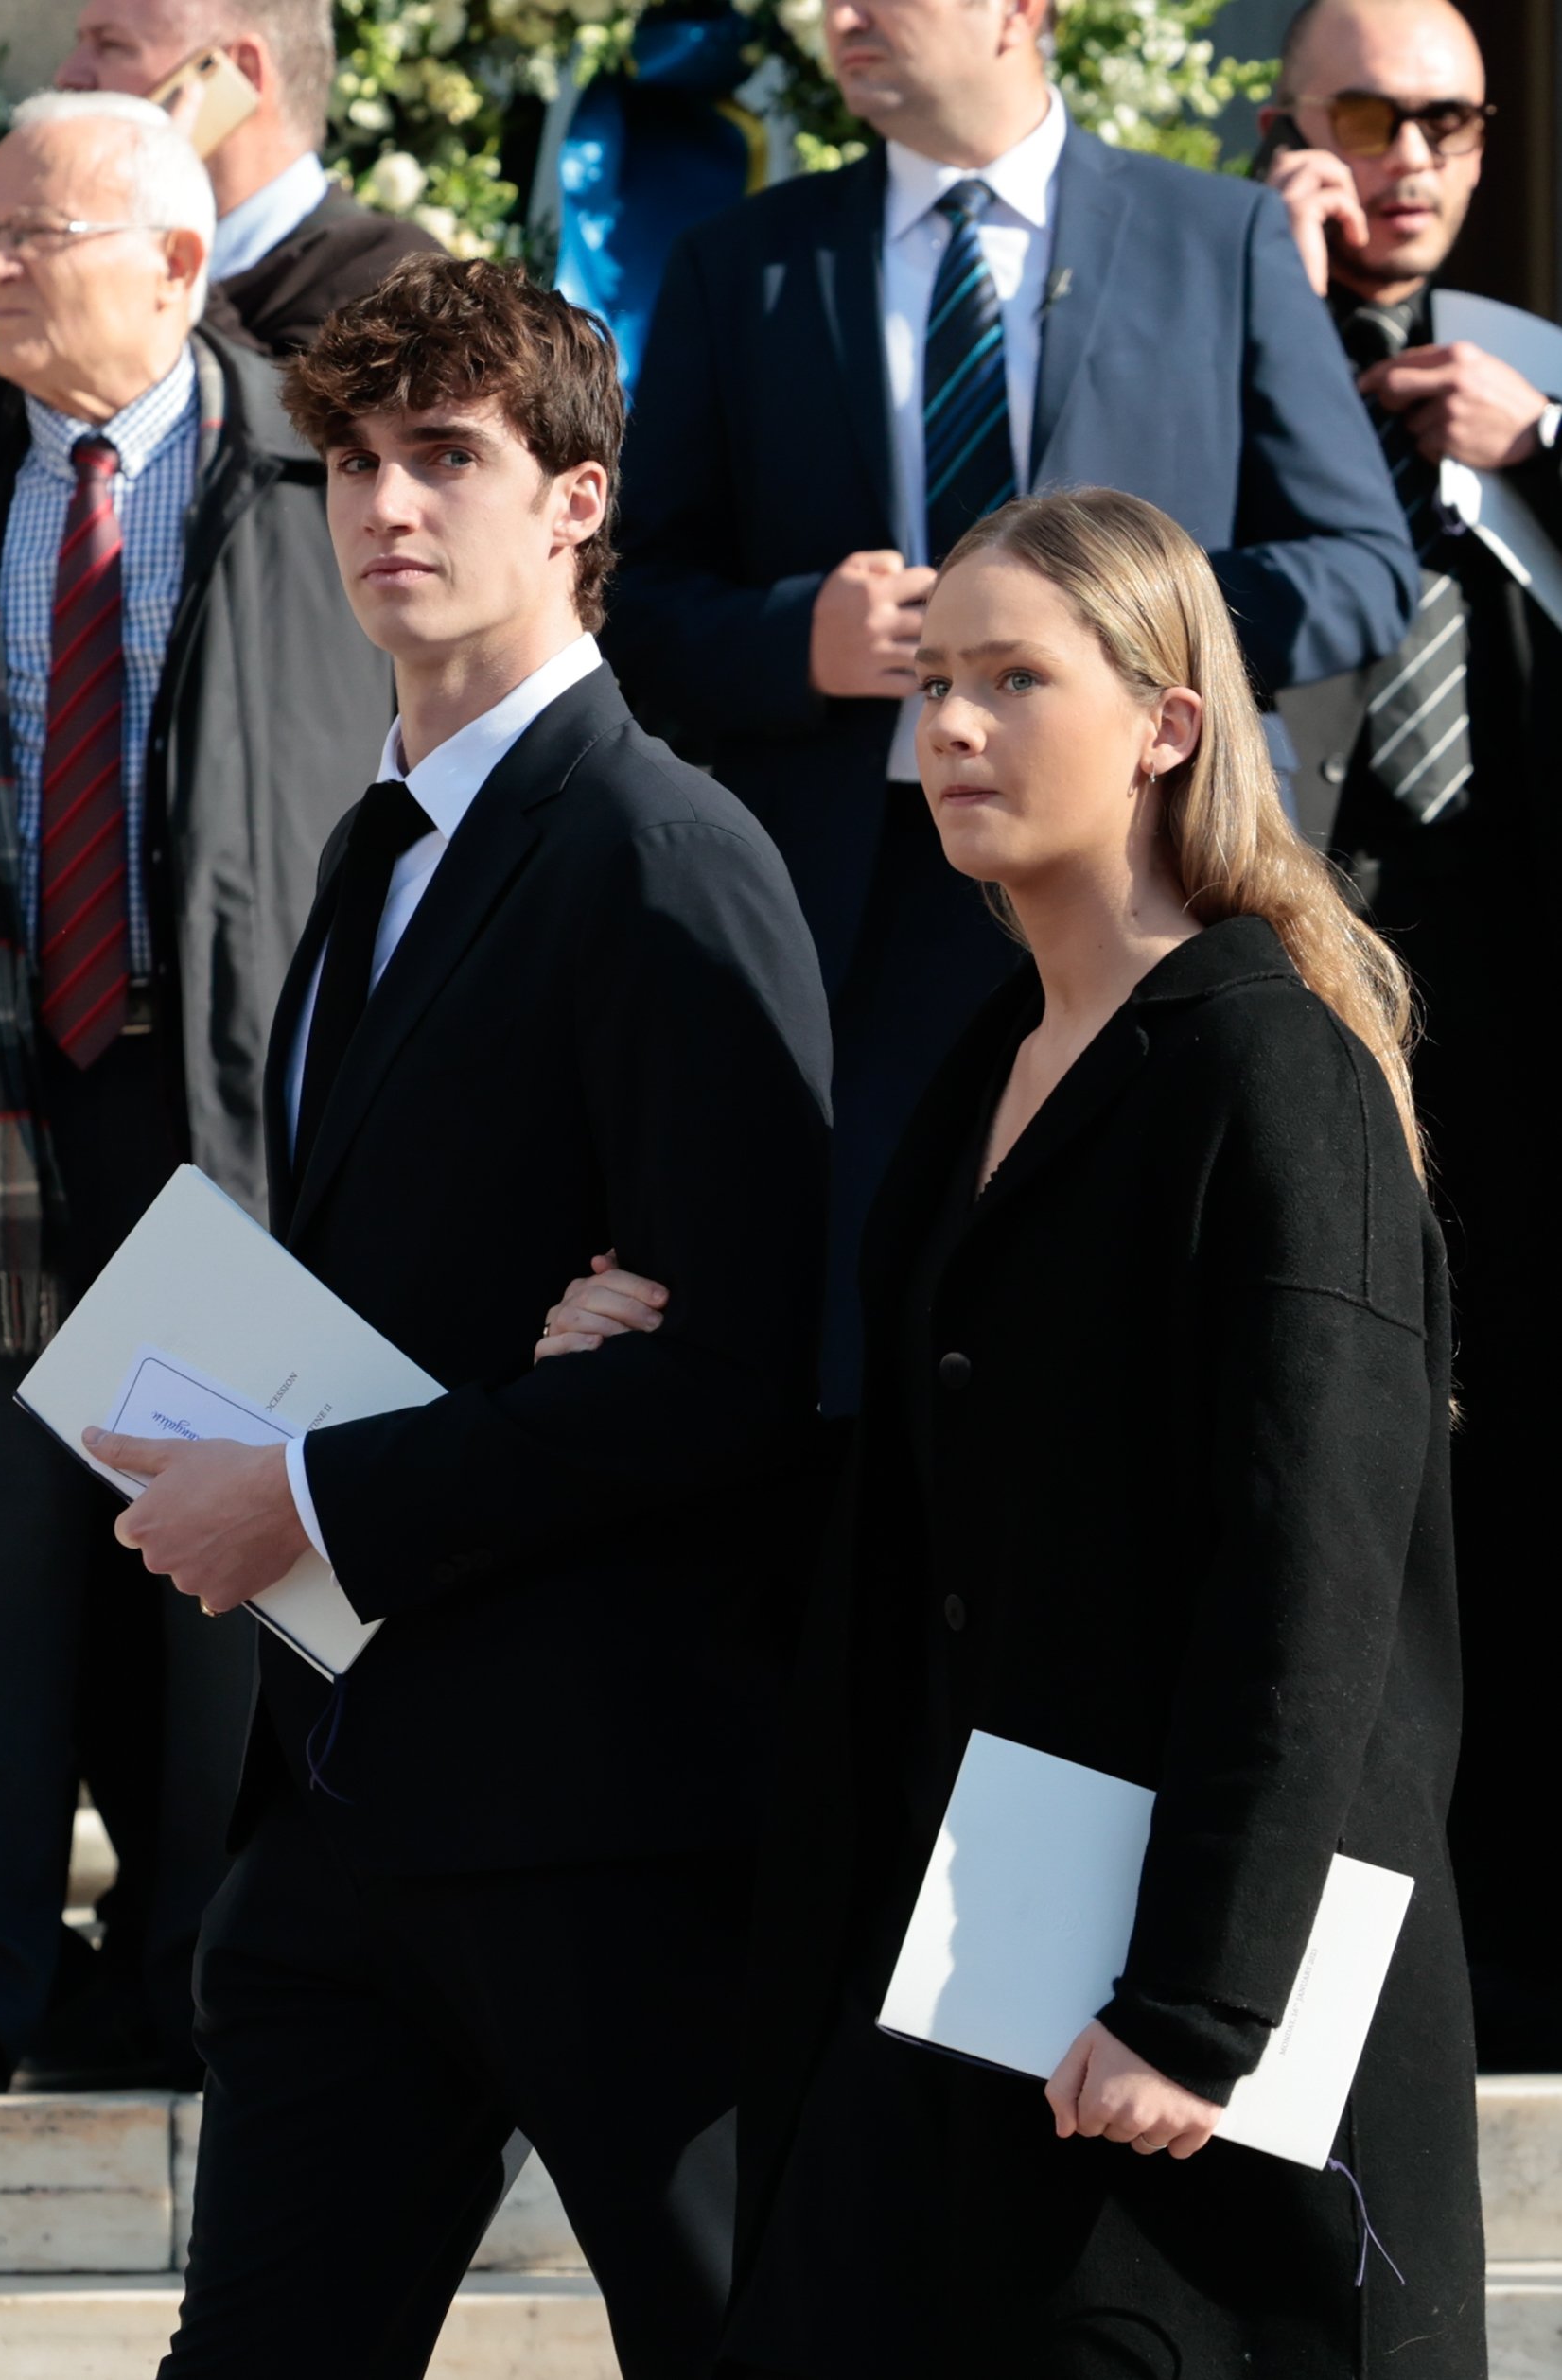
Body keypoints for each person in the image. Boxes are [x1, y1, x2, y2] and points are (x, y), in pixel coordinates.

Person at [548, 487, 1485, 2378]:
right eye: (934, 681)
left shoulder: (1266, 1070)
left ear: (1165, 723)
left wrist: (1195, 2008)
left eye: (1011, 680)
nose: (948, 729)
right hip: (973, 1999)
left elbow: (1304, 1590)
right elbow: (939, 1514)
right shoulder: (991, 1059)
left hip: (1180, 2079)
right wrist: (598, 1369)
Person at [79, 251, 831, 2378]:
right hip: (352, 1811)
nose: (388, 507)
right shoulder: (372, 843)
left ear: (577, 503)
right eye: (351, 464)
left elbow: (732, 1372)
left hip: (604, 1811)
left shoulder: (666, 854)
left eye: (450, 459)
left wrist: (310, 1493)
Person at [605, 0, 1419, 1411]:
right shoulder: (742, 264)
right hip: (848, 922)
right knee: (862, 1369)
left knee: (1124, 1359)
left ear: (1021, 11)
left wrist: (1109, 638)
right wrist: (793, 637)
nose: (834, 19)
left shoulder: (1210, 239)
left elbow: (1358, 567)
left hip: (1139, 896)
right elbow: (638, 607)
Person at [0, 89, 392, 2097]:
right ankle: (0, 1997)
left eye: (26, 238)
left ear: (169, 263)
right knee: (3, 1568)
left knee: (222, 1589)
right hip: (7, 1100)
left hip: (224, 1092)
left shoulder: (313, 474)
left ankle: (206, 1986)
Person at [1260, 0, 1560, 2067]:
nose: (1411, 156)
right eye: (1364, 115)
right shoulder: (1204, 322)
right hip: (1300, 985)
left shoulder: (1537, 368)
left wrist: (1539, 449)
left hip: (1522, 1012)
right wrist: (1263, 330)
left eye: (1445, 119)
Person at [57, 0, 441, 355]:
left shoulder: (390, 281)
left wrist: (159, 231)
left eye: (111, 45)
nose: (68, 76)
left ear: (240, 73)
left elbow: (267, 423)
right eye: (79, 44)